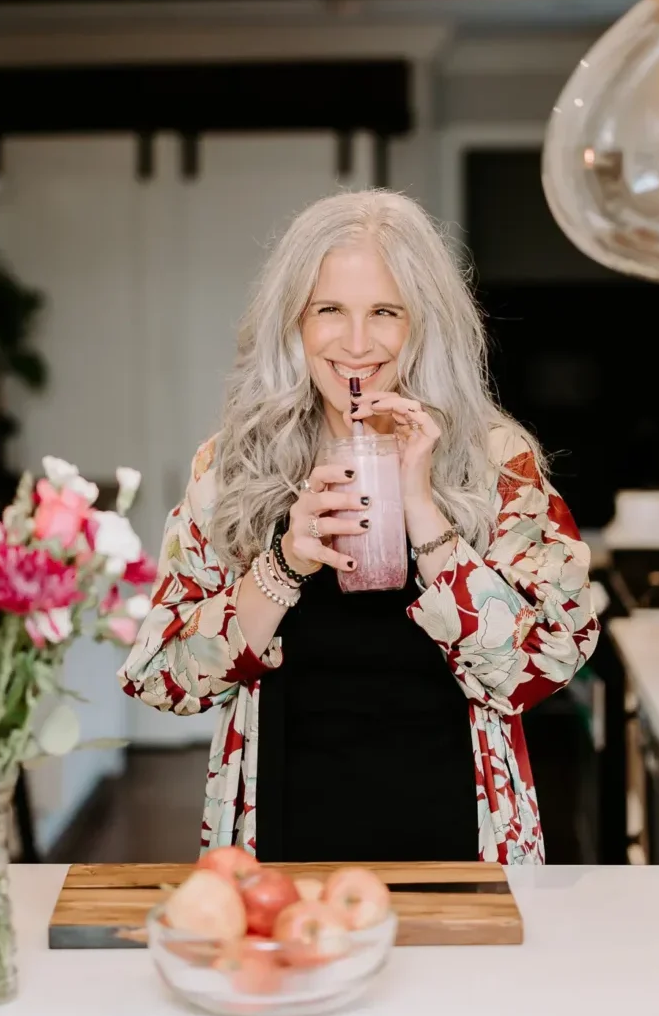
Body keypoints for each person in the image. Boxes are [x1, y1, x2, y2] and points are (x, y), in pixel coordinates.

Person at [118, 189, 599, 865]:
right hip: (280, 848)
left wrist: (423, 510)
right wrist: (282, 564)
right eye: (328, 311)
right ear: (293, 324)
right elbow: (161, 676)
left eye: (384, 312)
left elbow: (543, 663)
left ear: (422, 323)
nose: (355, 342)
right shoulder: (234, 467)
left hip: (460, 844)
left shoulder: (495, 463)